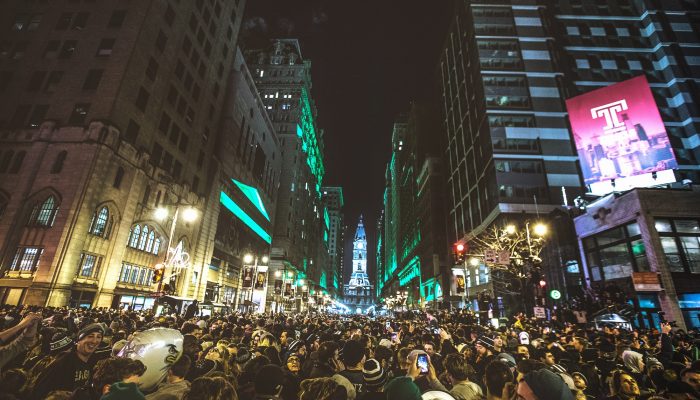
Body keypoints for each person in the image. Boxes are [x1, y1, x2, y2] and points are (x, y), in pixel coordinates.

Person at [30, 323, 105, 399]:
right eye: (90, 336)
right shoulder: (62, 362)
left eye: (99, 337)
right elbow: (39, 391)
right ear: (79, 340)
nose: (94, 341)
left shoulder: (94, 362)